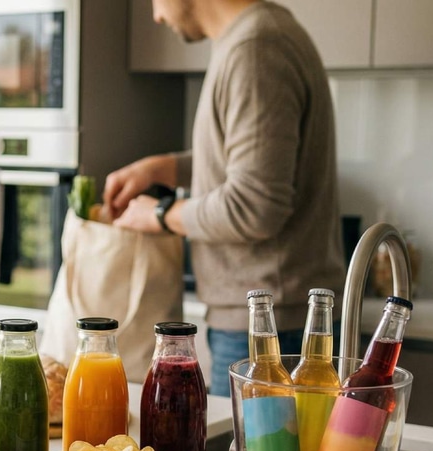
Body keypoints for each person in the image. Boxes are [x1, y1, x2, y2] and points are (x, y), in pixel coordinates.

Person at [103, 0, 346, 393]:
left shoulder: (257, 49)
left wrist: (162, 214)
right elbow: (248, 160)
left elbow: (255, 205)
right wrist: (163, 168)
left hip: (269, 330)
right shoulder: (252, 38)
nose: (156, 15)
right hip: (262, 319)